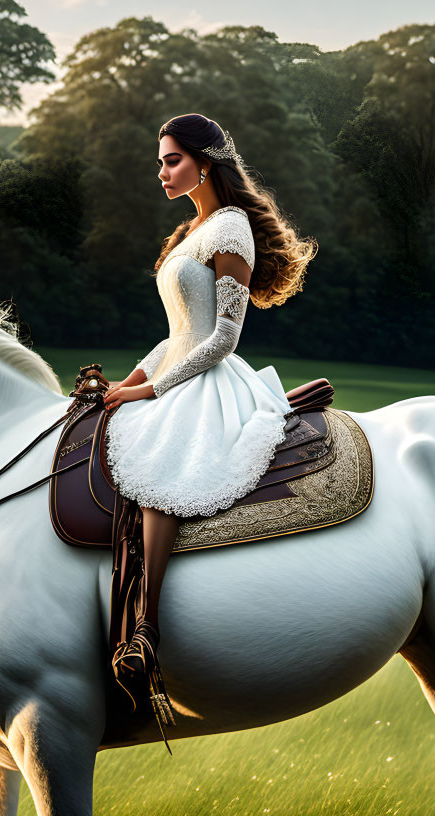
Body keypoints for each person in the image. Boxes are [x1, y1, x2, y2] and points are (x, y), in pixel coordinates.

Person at [102, 113, 318, 706]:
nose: (163, 172)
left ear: (206, 161)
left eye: (172, 160)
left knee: (162, 467)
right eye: (160, 163)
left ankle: (146, 626)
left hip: (210, 382)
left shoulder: (231, 231)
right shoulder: (188, 233)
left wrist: (153, 392)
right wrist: (131, 378)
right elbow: (175, 332)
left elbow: (222, 339)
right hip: (177, 370)